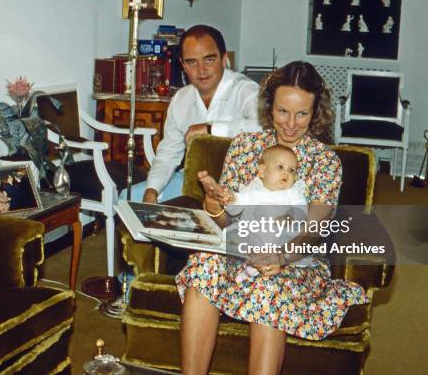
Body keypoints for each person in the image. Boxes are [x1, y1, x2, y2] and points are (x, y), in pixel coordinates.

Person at [176, 61, 368, 374]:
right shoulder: (245, 147)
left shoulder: (324, 160)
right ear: (269, 107)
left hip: (296, 258)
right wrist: (214, 205)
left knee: (269, 286)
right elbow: (228, 222)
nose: (290, 124)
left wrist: (281, 256)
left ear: (316, 112)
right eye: (282, 111)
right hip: (241, 248)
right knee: (203, 267)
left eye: (302, 114)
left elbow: (315, 231)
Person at [119, 24, 261, 204]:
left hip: (239, 184)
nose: (201, 70)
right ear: (182, 65)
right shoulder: (181, 99)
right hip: (193, 180)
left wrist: (210, 129)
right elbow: (168, 154)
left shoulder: (246, 90)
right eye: (192, 62)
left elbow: (264, 129)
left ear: (224, 59)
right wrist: (152, 191)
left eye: (209, 60)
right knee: (128, 199)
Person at [199, 144, 309, 283]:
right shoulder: (254, 189)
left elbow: (301, 210)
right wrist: (230, 199)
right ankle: (247, 269)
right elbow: (237, 208)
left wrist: (290, 217)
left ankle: (252, 271)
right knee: (234, 237)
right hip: (252, 238)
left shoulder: (293, 192)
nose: (286, 173)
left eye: (292, 170)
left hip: (278, 241)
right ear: (262, 171)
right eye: (280, 167)